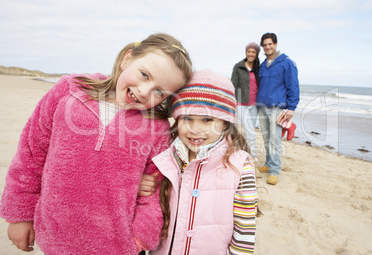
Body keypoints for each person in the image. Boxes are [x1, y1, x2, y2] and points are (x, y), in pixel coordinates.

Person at [0, 33, 193, 254]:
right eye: (144, 75)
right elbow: (31, 153)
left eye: (160, 91)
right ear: (127, 59)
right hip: (54, 235)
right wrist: (19, 215)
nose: (144, 91)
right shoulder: (69, 91)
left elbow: (157, 192)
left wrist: (139, 239)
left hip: (115, 245)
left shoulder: (156, 127)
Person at [142, 70, 258, 254]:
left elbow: (245, 228)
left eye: (207, 119)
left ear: (225, 122)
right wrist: (141, 185)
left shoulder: (240, 165)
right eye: (187, 118)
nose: (195, 129)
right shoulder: (165, 157)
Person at [257, 32, 300, 185]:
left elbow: (293, 86)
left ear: (275, 44)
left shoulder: (286, 62)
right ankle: (268, 164)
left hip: (277, 108)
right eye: (265, 44)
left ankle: (275, 171)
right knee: (266, 138)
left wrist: (291, 108)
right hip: (262, 107)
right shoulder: (263, 65)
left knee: (275, 140)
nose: (268, 47)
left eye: (270, 44)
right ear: (262, 47)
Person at [231, 42, 260, 165]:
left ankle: (245, 154)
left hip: (255, 105)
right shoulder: (238, 67)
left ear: (256, 53)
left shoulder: (259, 68)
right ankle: (252, 159)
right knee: (250, 133)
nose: (251, 54)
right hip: (242, 104)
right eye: (249, 51)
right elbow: (233, 85)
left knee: (249, 132)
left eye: (253, 52)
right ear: (246, 52)